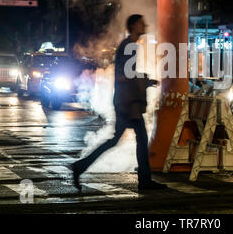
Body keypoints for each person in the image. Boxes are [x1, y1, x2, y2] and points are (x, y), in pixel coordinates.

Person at [70, 14, 167, 191]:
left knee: (117, 140)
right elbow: (127, 76)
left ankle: (80, 167)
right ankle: (144, 182)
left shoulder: (128, 45)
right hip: (129, 103)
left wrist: (146, 81)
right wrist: (146, 81)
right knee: (140, 140)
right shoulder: (130, 45)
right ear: (133, 26)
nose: (144, 25)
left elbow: (126, 74)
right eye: (141, 23)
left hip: (125, 101)